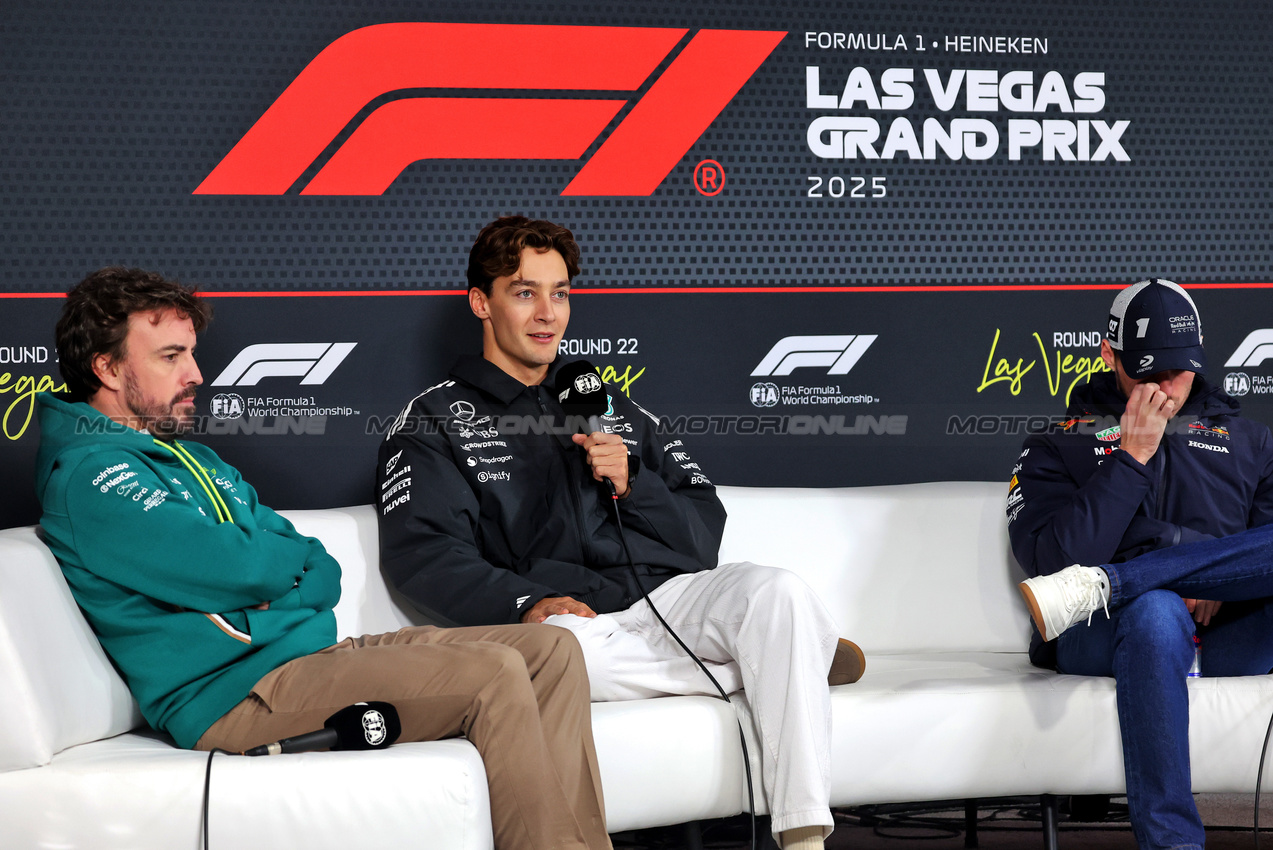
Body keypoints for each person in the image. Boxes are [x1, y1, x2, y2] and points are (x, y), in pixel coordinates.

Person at [35, 266, 612, 850]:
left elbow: (318, 564)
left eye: (191, 353)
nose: (196, 374)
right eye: (170, 356)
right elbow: (240, 567)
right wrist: (268, 576)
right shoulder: (90, 477)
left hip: (313, 660)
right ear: (106, 368)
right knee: (496, 673)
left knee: (552, 649)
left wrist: (272, 585)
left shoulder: (199, 460)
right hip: (237, 698)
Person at [377, 216, 865, 850]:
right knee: (557, 662)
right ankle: (790, 658)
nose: (547, 313)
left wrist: (636, 482)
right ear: (481, 303)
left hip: (662, 604)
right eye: (525, 292)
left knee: (780, 594)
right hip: (563, 626)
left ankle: (803, 837)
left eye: (560, 293)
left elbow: (701, 534)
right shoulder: (435, 419)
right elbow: (425, 557)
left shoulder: (608, 405)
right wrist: (526, 603)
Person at [1008, 278, 1273, 850]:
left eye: (1177, 372)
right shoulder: (1058, 444)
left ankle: (1127, 578)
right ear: (1110, 355)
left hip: (1230, 629)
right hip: (1107, 631)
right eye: (1146, 371)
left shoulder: (1251, 442)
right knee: (1153, 609)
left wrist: (1206, 572)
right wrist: (1131, 458)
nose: (1163, 389)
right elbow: (1053, 564)